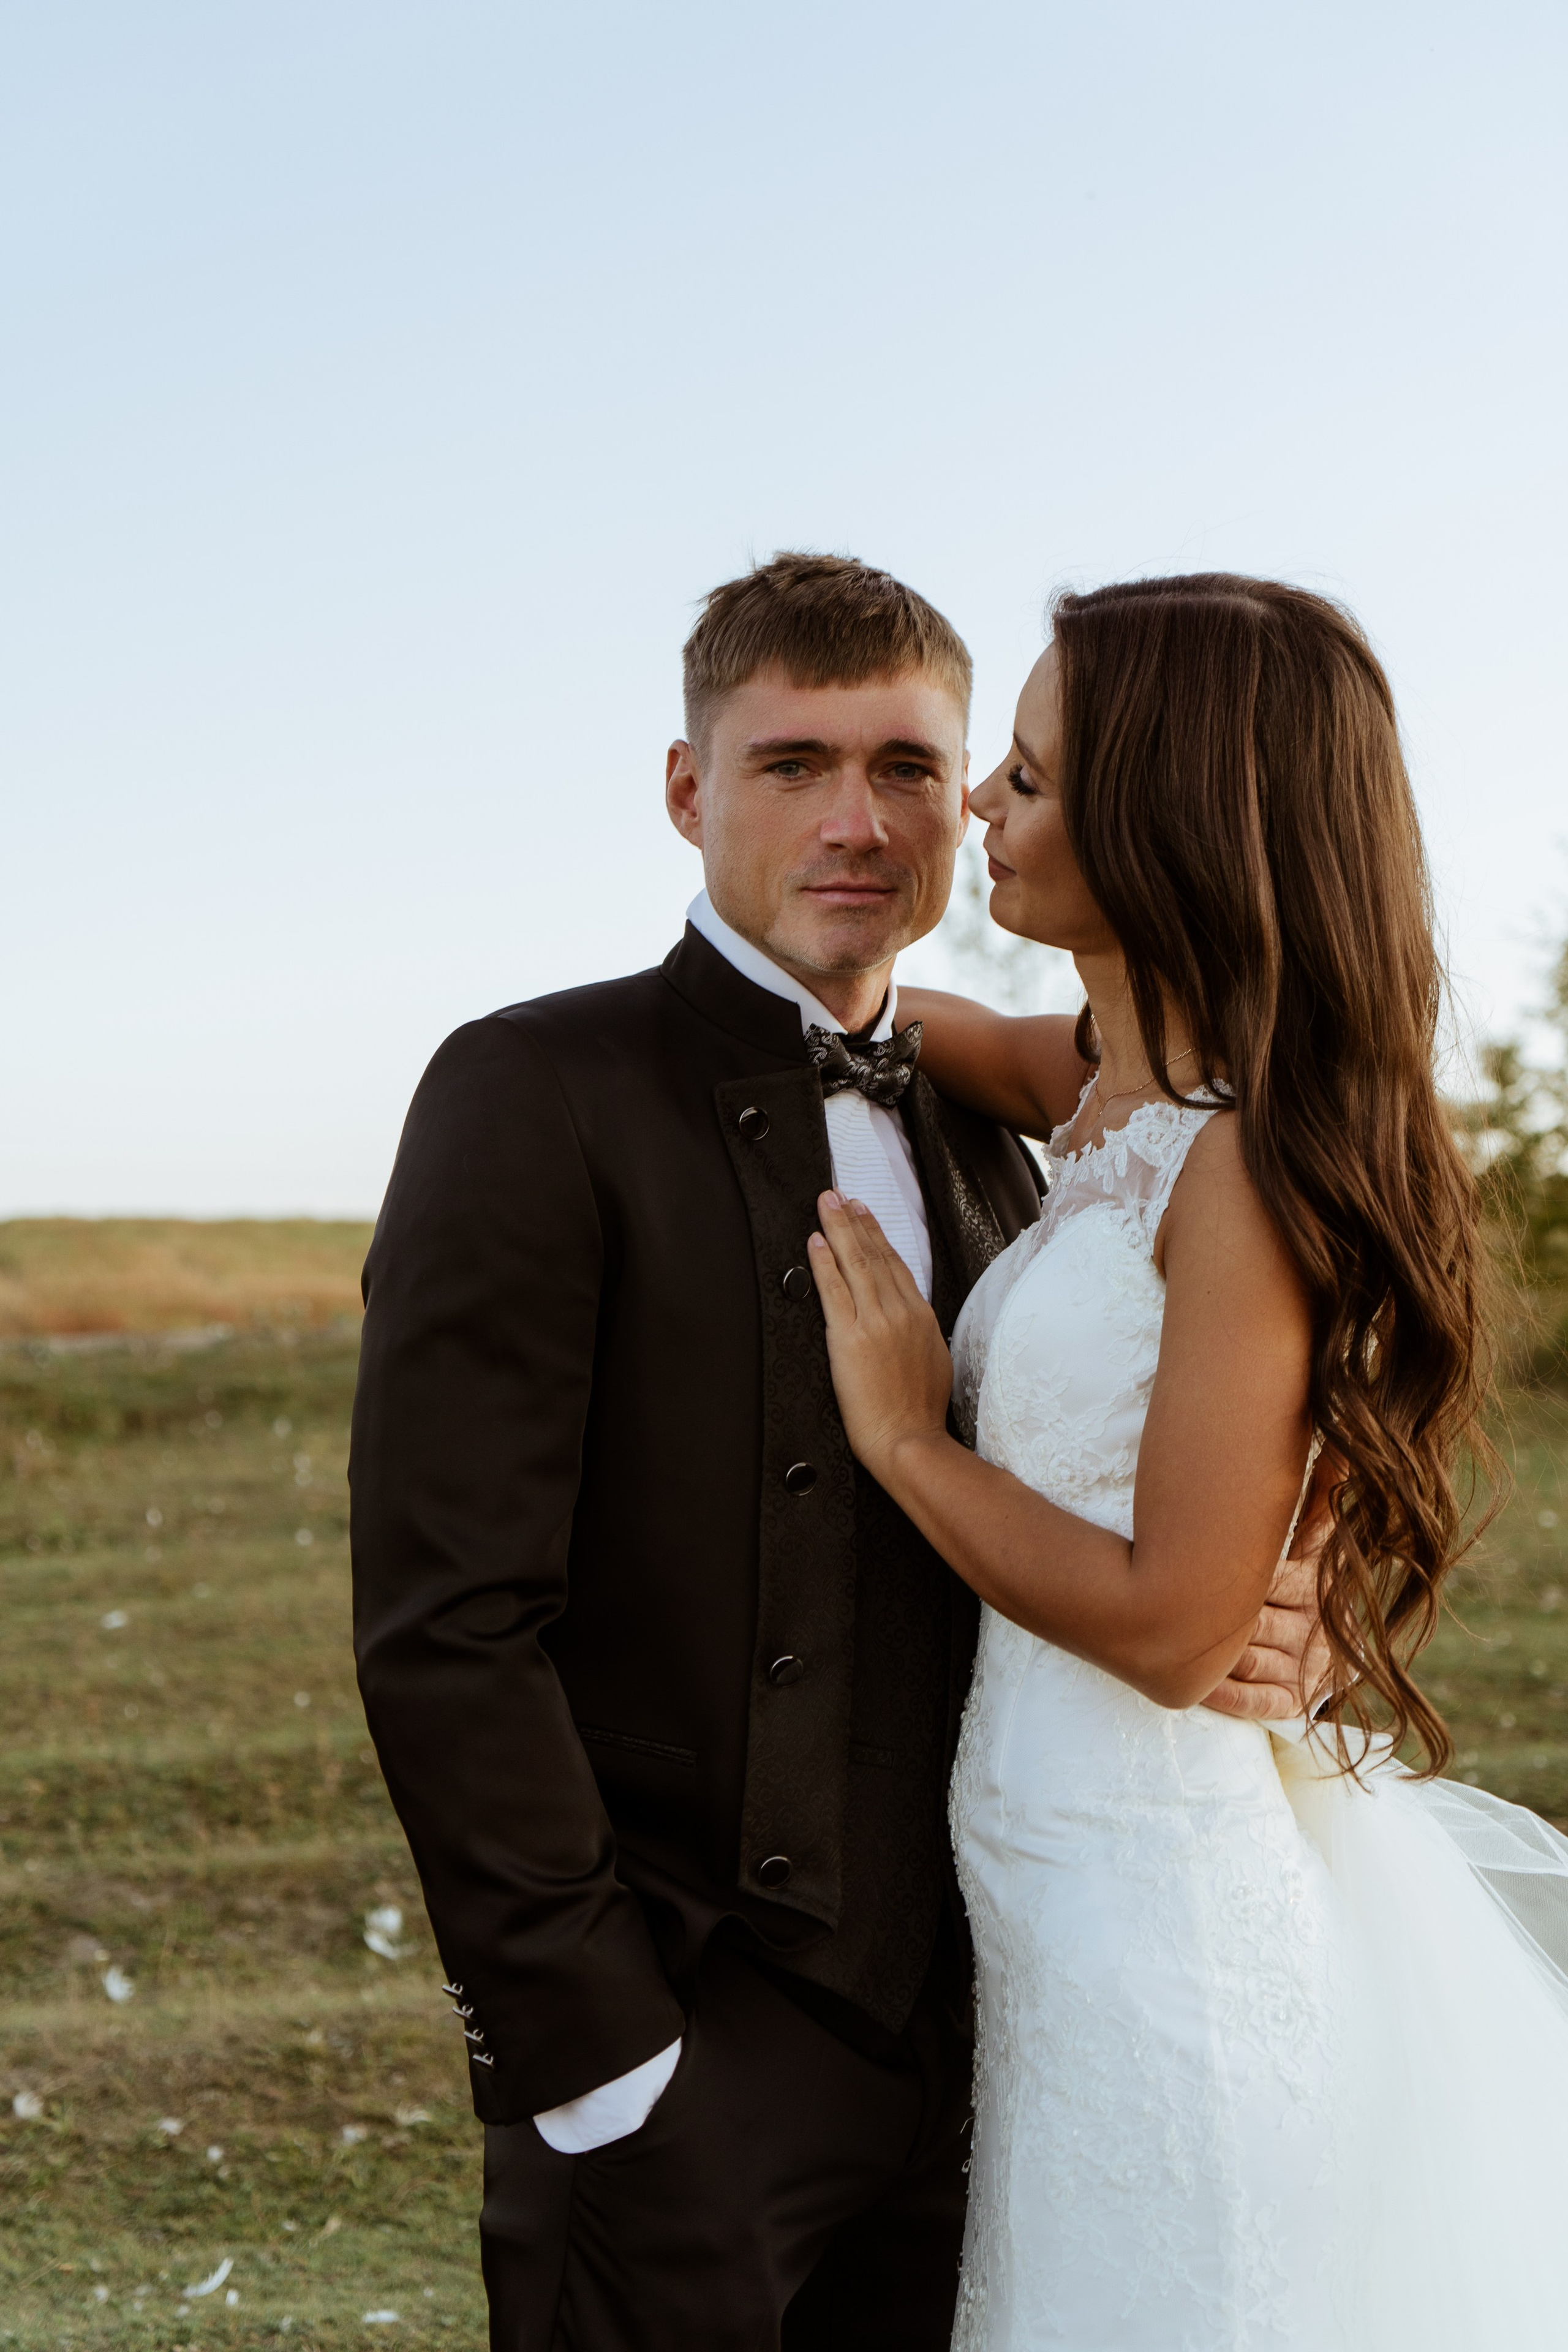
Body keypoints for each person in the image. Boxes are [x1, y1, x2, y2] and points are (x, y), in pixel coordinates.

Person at [349, 554, 1324, 2352]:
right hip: (687, 2062)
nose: (860, 820)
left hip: (1005, 2042)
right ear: (685, 791)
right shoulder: (528, 1092)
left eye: (910, 767)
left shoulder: (1026, 1124)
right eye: (794, 762)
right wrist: (607, 2064)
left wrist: (1303, 1604)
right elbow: (446, 1625)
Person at [809, 571, 1568, 2351]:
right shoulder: (1107, 1091)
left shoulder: (1243, 1169)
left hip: (1166, 1933)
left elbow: (1171, 1622)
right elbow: (911, 1031)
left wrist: (911, 1439)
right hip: (1058, 1902)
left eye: (1031, 777)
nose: (980, 806)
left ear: (1175, 826)